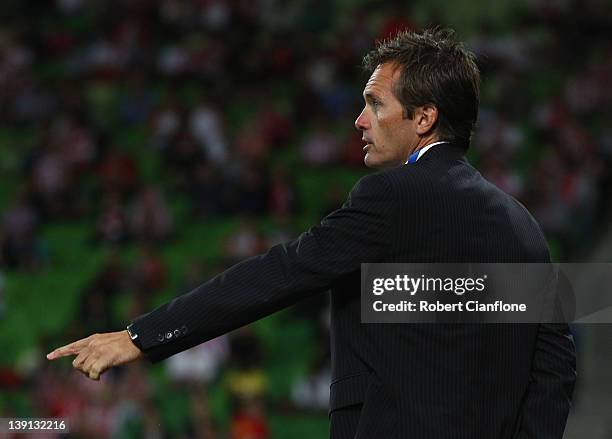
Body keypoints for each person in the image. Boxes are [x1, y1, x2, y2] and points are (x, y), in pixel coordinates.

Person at [47, 28, 576, 438]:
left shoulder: (393, 197)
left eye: (375, 104)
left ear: (424, 118)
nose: (359, 120)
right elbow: (553, 364)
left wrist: (140, 337)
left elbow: (282, 272)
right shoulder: (522, 225)